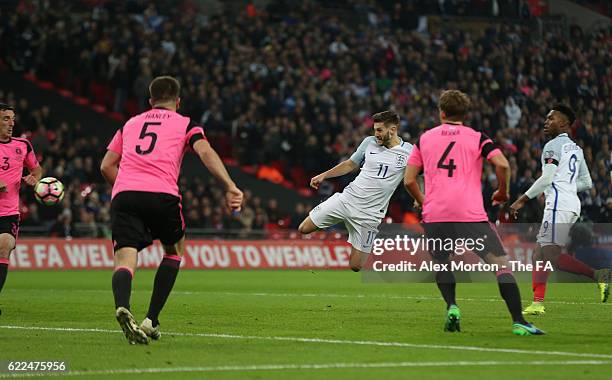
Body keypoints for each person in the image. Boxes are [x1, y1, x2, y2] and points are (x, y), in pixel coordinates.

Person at [100, 76, 243, 344]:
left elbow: (106, 166)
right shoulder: (186, 123)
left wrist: (127, 186)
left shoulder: (129, 124)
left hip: (125, 193)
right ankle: (151, 320)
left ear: (150, 101)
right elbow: (205, 152)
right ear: (178, 102)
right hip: (162, 193)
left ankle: (123, 306)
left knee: (125, 259)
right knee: (174, 251)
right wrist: (230, 185)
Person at [404, 90, 543, 336]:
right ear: (464, 114)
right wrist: (502, 191)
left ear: (441, 112)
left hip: (436, 214)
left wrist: (423, 201)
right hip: (470, 214)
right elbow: (502, 164)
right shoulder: (478, 137)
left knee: (442, 263)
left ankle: (452, 306)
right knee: (500, 265)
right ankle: (519, 320)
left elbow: (409, 180)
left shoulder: (424, 139)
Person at [509, 104, 610, 315]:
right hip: (570, 203)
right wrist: (565, 185)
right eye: (546, 119)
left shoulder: (553, 146)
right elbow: (587, 182)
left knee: (551, 254)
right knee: (539, 254)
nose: (546, 122)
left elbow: (546, 179)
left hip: (558, 205)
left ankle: (598, 275)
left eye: (551, 118)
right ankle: (537, 302)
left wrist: (521, 200)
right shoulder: (577, 149)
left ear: (563, 123)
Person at [298, 110, 412, 271]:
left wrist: (418, 197)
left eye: (379, 130)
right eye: (374, 129)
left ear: (392, 130)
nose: (376, 134)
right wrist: (324, 175)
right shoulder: (369, 142)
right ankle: (336, 221)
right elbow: (351, 164)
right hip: (347, 200)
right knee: (304, 229)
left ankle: (360, 237)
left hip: (370, 215)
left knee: (356, 266)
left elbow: (417, 176)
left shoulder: (409, 151)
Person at [0, 103, 42, 315]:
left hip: (8, 211)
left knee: (5, 245)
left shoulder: (23, 145)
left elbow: (36, 168)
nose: (11, 123)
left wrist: (34, 178)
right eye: (6, 118)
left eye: (12, 119)